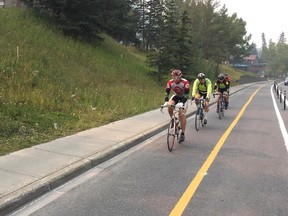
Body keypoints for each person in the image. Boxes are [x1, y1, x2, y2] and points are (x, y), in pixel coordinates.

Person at [163, 69, 190, 142]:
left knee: (182, 113)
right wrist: (166, 101)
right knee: (169, 106)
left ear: (180, 77)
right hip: (175, 96)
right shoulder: (170, 82)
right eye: (174, 77)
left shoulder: (185, 82)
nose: (175, 79)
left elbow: (187, 95)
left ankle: (183, 133)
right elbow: (167, 93)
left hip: (183, 97)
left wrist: (182, 103)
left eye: (177, 78)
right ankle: (173, 120)